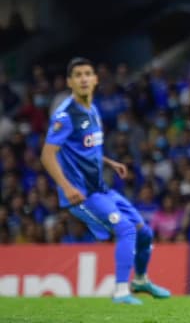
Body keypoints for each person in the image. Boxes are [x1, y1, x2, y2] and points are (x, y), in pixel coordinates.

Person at [41, 57, 170, 305]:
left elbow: (85, 149)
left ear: (95, 79)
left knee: (144, 233)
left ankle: (140, 280)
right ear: (69, 82)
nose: (83, 79)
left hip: (101, 190)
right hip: (81, 194)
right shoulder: (66, 115)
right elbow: (47, 155)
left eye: (87, 74)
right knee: (126, 229)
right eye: (77, 75)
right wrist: (66, 187)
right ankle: (121, 292)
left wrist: (110, 162)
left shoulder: (93, 109)